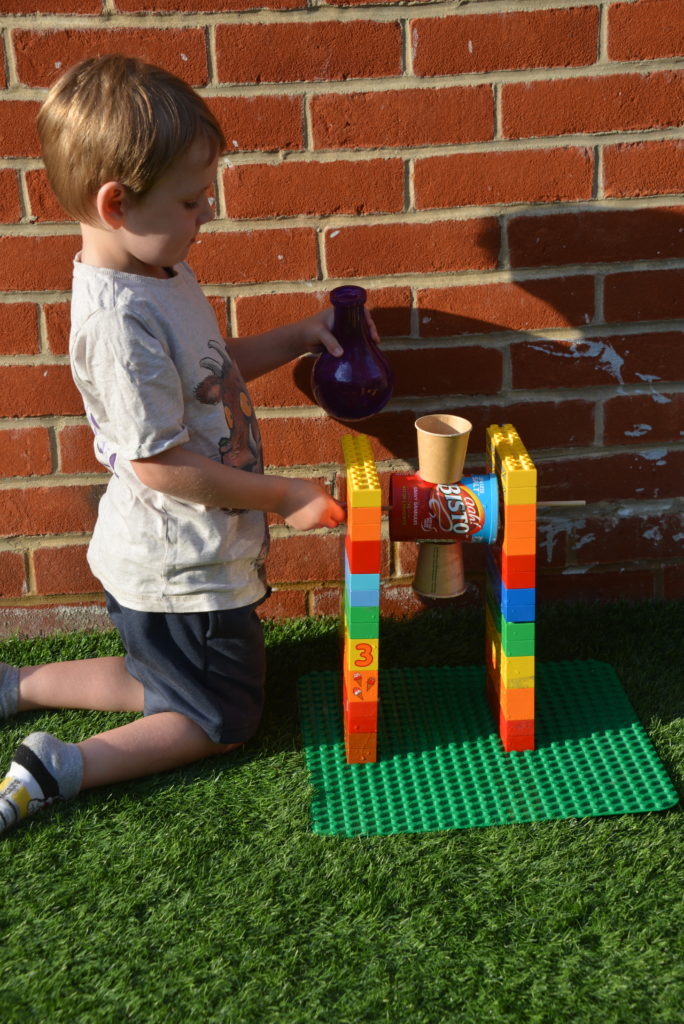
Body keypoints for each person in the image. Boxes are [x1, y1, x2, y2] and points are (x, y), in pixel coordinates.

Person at [0, 54, 368, 835]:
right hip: (182, 564)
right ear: (117, 202)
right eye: (193, 200)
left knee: (158, 676)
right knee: (221, 717)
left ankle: (18, 685)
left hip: (177, 558)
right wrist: (286, 495)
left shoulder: (157, 269)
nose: (208, 214)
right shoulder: (117, 321)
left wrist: (298, 336)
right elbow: (159, 463)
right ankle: (61, 764)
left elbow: (211, 373)